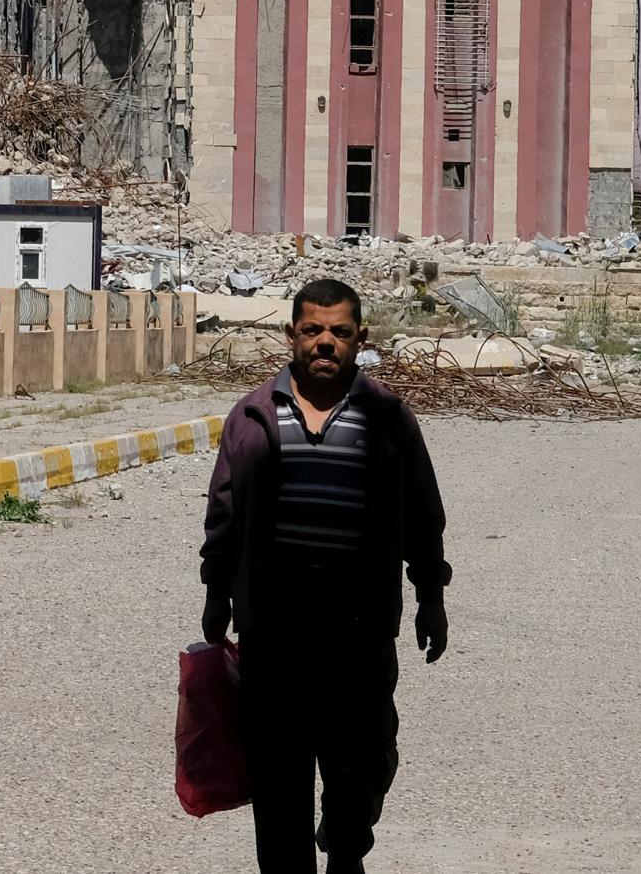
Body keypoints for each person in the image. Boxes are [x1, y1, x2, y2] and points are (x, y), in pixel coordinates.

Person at [200, 277, 451, 874]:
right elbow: (224, 512)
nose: (325, 343)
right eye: (312, 330)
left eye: (339, 332)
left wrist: (431, 597)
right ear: (291, 336)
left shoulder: (388, 418)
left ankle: (345, 849)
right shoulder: (253, 415)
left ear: (361, 338)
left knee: (360, 767)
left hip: (358, 632)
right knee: (279, 783)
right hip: (275, 634)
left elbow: (423, 514)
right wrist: (216, 595)